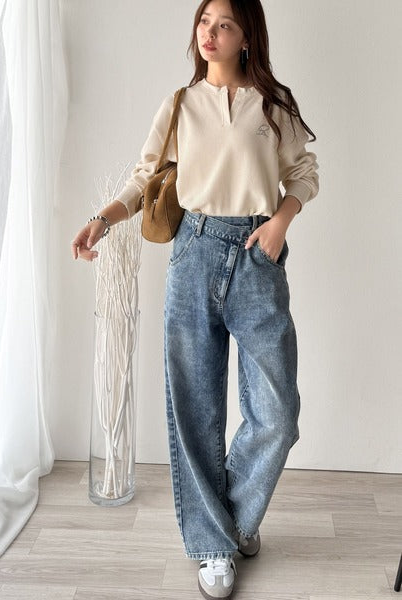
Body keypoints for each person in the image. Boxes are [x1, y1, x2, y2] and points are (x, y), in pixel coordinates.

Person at [72, 0, 319, 598]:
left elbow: (305, 173)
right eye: (205, 22)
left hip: (257, 255)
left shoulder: (273, 104)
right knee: (195, 408)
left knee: (278, 412)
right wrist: (102, 220)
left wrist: (281, 220)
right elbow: (143, 177)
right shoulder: (180, 104)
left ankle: (231, 521)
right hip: (194, 253)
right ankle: (214, 544)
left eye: (225, 24)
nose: (211, 33)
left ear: (246, 36)